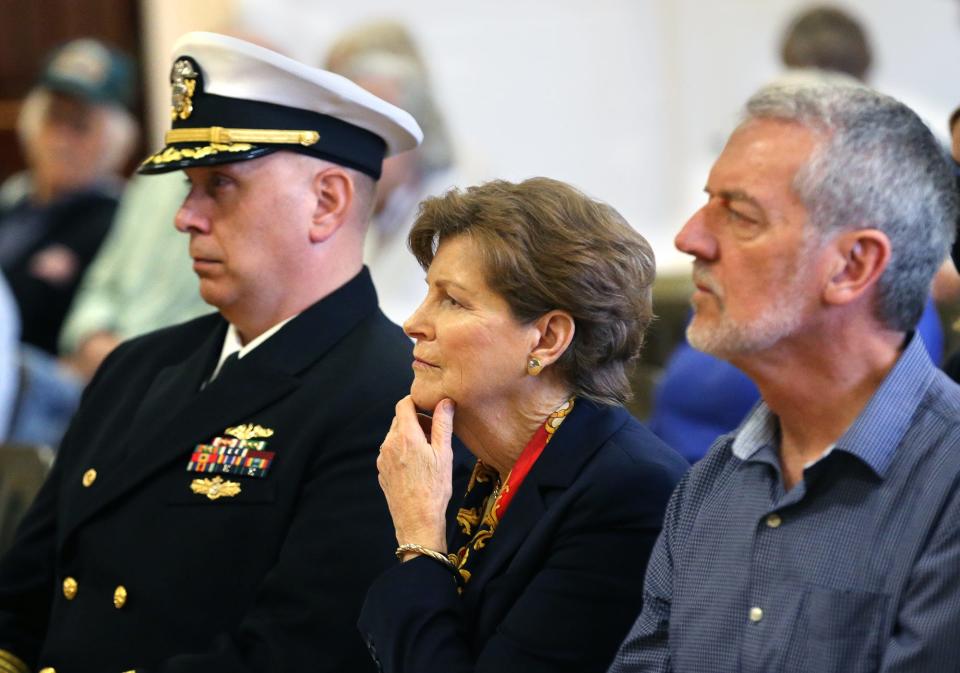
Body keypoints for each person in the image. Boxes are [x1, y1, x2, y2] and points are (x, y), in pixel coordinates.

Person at [0, 32, 422, 673]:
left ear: (325, 202)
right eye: (188, 186)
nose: (185, 217)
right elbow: (23, 600)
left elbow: (296, 654)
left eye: (220, 185)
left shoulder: (389, 399)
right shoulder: (137, 367)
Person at [610, 80, 960, 672]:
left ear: (852, 266)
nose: (689, 237)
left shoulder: (946, 484)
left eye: (738, 214)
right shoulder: (712, 484)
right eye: (707, 202)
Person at [359, 178, 689, 673]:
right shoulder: (462, 461)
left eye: (452, 300)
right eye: (429, 294)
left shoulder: (628, 491)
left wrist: (420, 539)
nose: (413, 322)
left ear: (547, 339)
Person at [0, 38, 137, 355]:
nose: (61, 140)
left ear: (113, 139)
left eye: (80, 126)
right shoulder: (12, 201)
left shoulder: (120, 219)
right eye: (53, 119)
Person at [58, 171, 207, 381]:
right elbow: (101, 282)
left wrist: (129, 356)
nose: (182, 219)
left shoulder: (240, 180)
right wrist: (90, 336)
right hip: (97, 362)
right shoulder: (152, 178)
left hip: (170, 374)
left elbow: (217, 319)